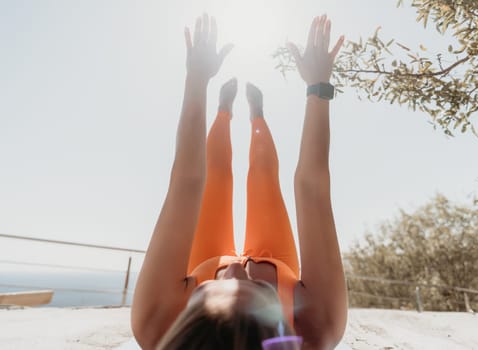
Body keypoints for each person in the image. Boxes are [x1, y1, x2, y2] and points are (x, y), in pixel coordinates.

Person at [131, 13, 347, 350]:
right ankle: (257, 115)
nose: (241, 268)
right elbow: (313, 187)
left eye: (213, 290)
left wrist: (197, 79)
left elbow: (186, 181)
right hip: (278, 258)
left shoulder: (154, 322)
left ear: (185, 320)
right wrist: (318, 87)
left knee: (216, 175)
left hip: (208, 257)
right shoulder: (319, 325)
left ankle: (224, 110)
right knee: (263, 177)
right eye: (262, 292)